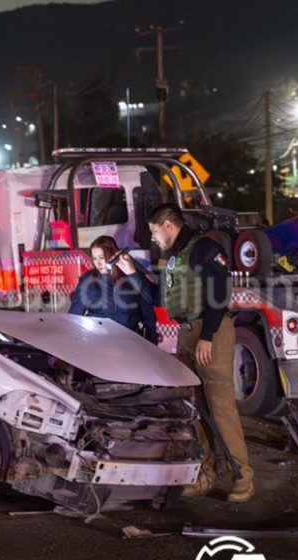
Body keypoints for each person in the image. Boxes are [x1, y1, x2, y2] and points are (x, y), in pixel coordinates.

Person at [145, 203, 254, 502]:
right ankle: (204, 476)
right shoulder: (177, 255)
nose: (153, 239)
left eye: (155, 231)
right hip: (188, 332)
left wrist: (207, 335)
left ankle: (243, 480)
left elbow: (220, 291)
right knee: (196, 410)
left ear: (169, 225)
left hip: (210, 330)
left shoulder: (204, 246)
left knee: (221, 408)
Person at [68, 236, 157, 343]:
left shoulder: (130, 276)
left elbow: (148, 315)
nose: (98, 263)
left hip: (130, 341)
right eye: (94, 258)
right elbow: (74, 316)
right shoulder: (88, 280)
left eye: (101, 257)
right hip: (99, 342)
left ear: (112, 256)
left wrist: (152, 341)